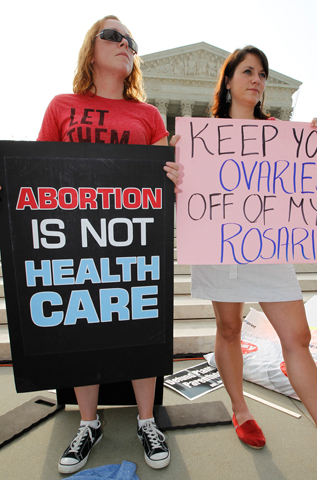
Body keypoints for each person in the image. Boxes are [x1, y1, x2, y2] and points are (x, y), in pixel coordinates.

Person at [187, 46, 317, 453]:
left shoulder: (278, 131)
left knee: (298, 335)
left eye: (263, 74)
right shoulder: (200, 136)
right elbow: (189, 192)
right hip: (220, 244)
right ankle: (241, 410)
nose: (257, 80)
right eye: (248, 71)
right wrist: (177, 171)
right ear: (229, 80)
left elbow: (311, 172)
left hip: (268, 249)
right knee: (229, 328)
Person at [32, 15, 180, 474]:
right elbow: (40, 170)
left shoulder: (149, 115)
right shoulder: (61, 105)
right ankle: (88, 424)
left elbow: (162, 183)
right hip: (75, 236)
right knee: (82, 328)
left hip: (132, 235)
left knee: (139, 323)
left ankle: (145, 418)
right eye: (113, 36)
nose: (124, 44)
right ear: (90, 49)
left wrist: (175, 177)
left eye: (130, 40)